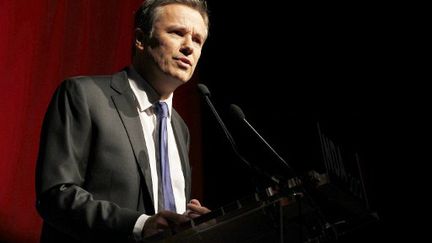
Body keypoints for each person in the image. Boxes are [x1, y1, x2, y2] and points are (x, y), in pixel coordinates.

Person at [35, 0, 210, 242]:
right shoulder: (84, 95)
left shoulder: (180, 129)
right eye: (177, 33)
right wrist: (139, 225)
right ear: (140, 39)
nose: (189, 47)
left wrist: (197, 224)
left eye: (198, 40)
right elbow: (56, 195)